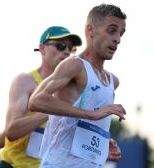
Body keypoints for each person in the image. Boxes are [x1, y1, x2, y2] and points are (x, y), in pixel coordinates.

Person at [28, 4, 126, 168]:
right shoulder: (75, 65)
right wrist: (92, 115)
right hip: (58, 164)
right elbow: (36, 101)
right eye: (112, 30)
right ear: (90, 30)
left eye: (121, 33)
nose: (117, 39)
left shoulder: (112, 81)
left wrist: (102, 143)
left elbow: (82, 126)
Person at [0, 26, 82, 168]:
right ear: (42, 48)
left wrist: (103, 145)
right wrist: (53, 111)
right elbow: (12, 131)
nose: (67, 51)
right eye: (61, 46)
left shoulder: (74, 89)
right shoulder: (26, 81)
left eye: (71, 48)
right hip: (14, 165)